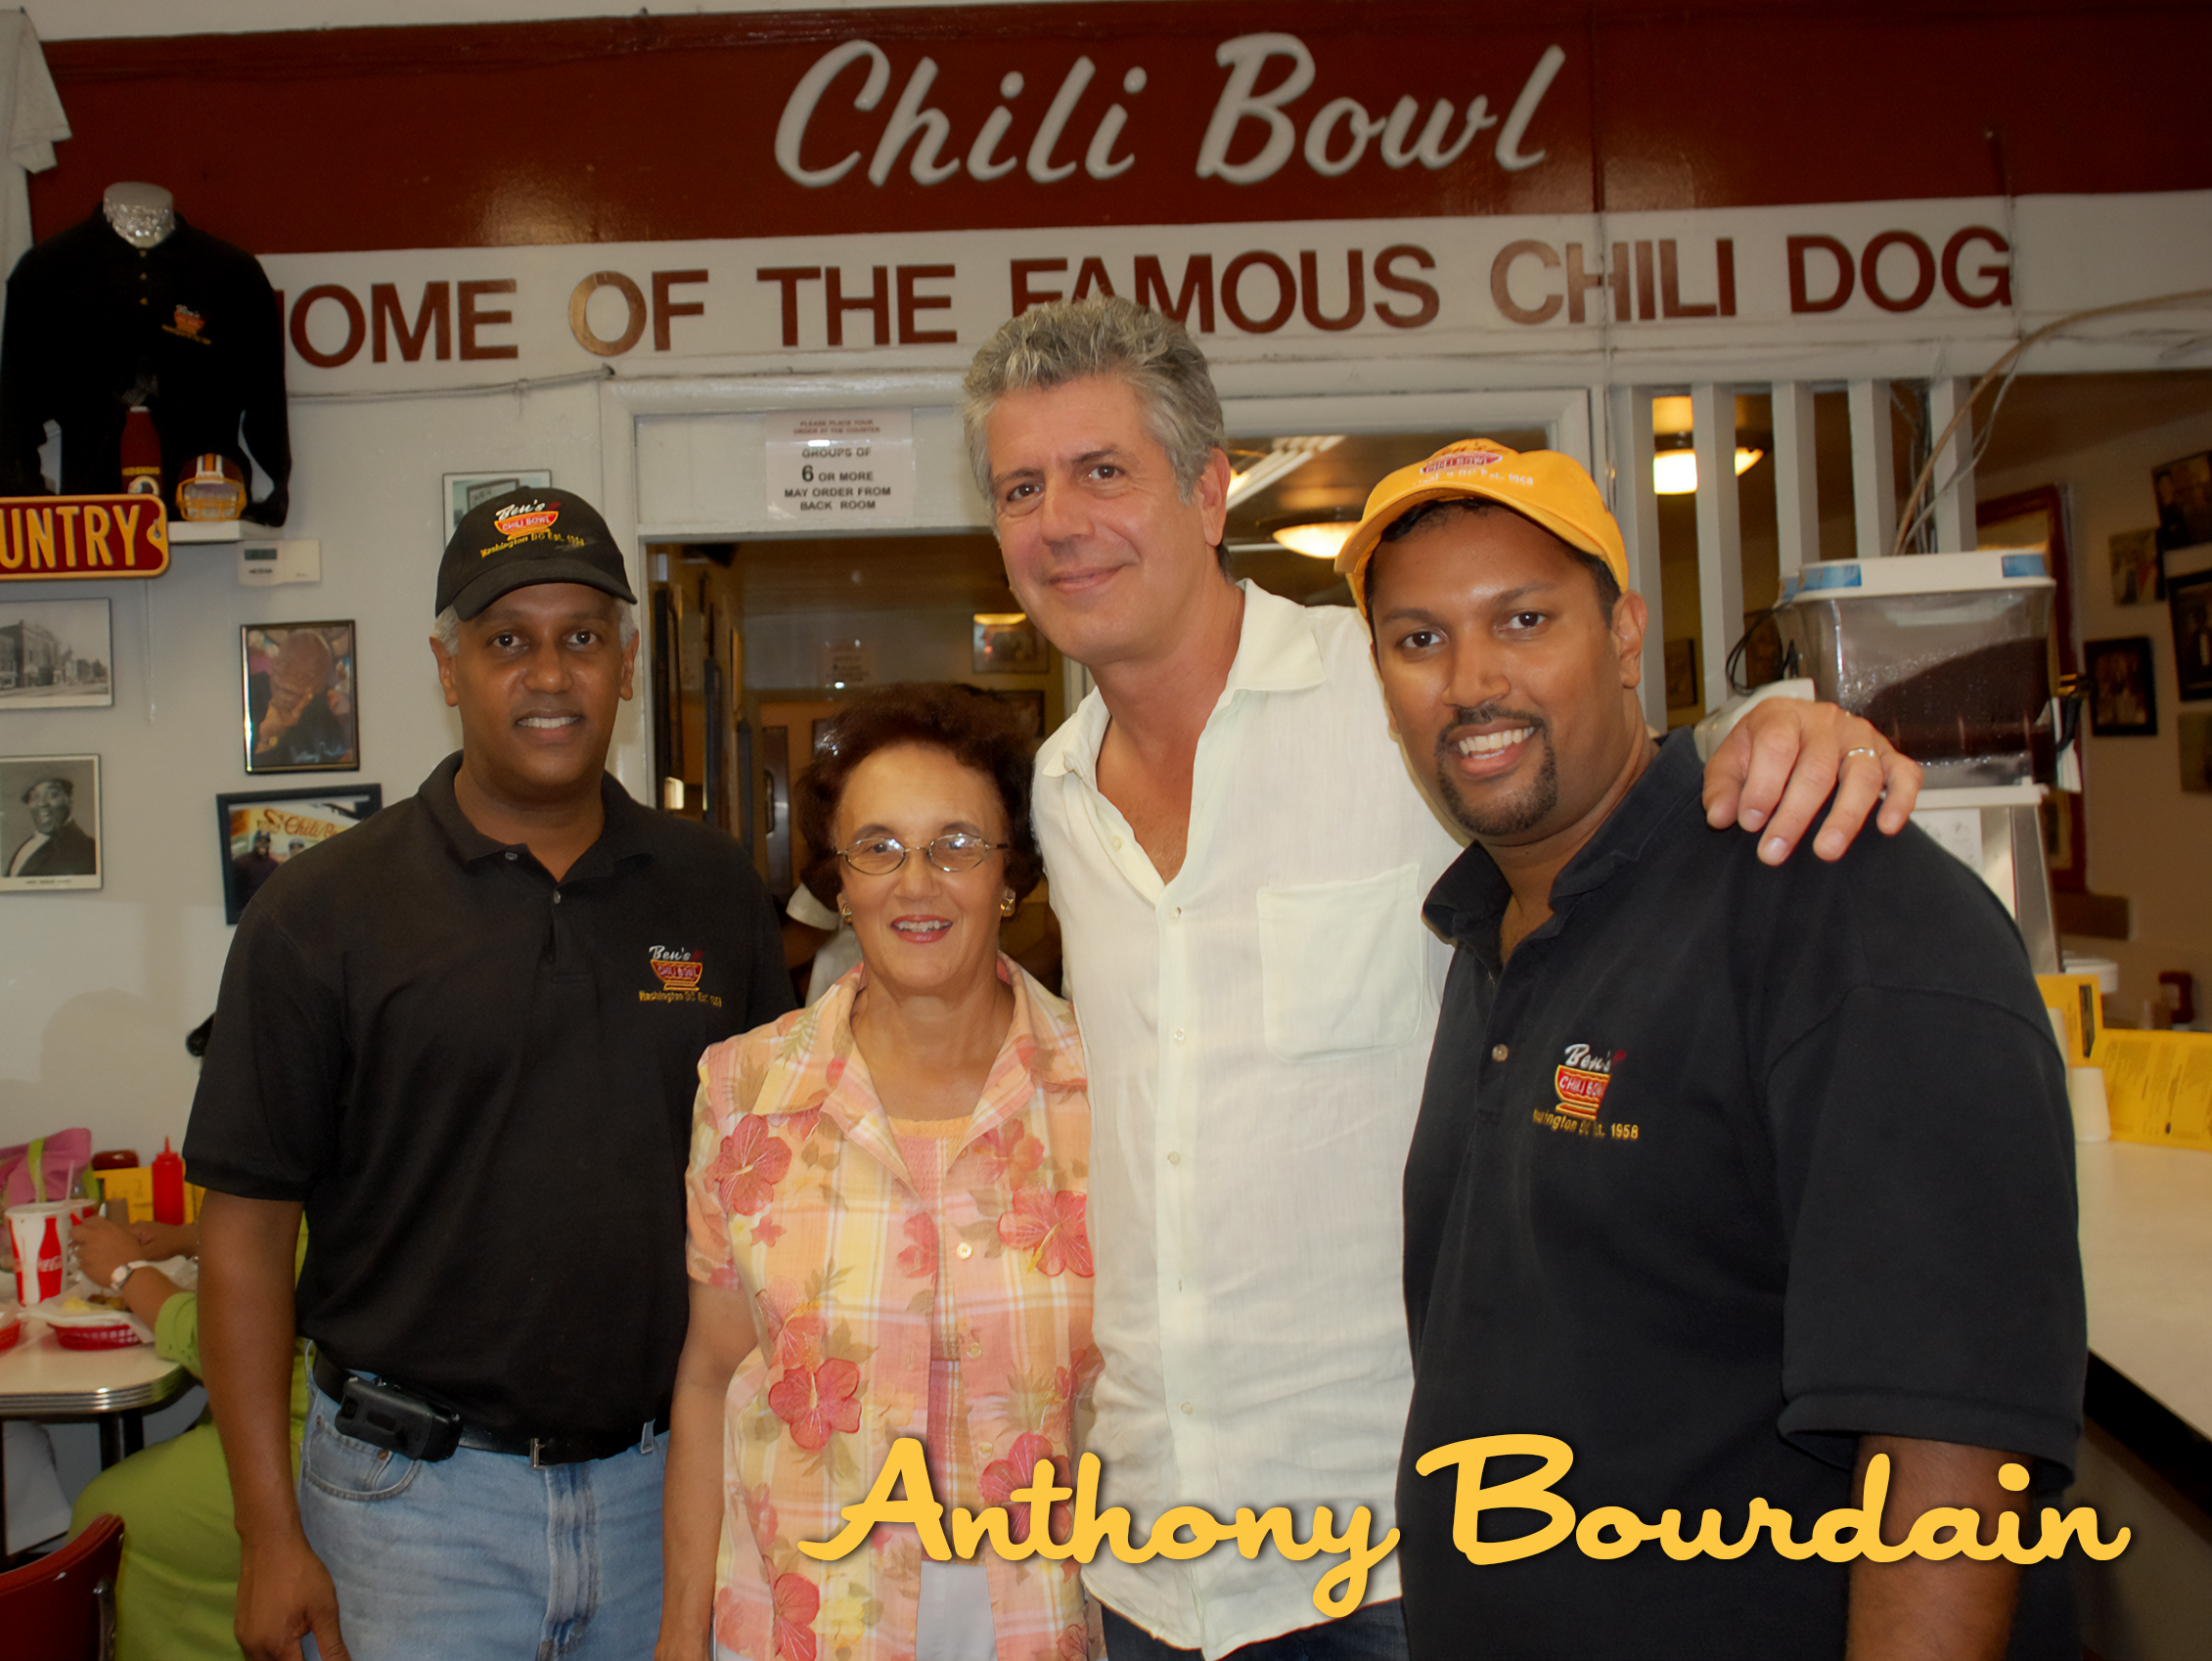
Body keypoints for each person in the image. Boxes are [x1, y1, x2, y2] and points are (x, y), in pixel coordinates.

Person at [959, 297, 1923, 1660]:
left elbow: (1617, 788)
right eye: (1020, 486)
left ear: (1208, 486)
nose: (1060, 519)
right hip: (1151, 1557)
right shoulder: (1058, 793)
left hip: (1402, 1555)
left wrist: (1785, 731)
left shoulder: (1399, 699)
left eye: (1102, 470)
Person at [1340, 440, 2084, 1659]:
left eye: (1522, 619)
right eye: (1417, 640)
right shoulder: (1491, 932)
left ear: (1625, 634)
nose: (1471, 680)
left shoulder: (1833, 904)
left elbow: (1951, 1438)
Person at [185, 487, 792, 1661]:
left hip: (663, 1492)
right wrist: (270, 1535)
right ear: (447, 666)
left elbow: (773, 1195)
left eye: (579, 639)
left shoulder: (713, 892)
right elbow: (245, 1234)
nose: (548, 675)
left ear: (623, 662)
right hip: (410, 1515)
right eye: (506, 640)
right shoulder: (318, 914)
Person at [660, 682, 1093, 1661]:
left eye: (954, 846)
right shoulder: (745, 1092)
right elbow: (709, 1376)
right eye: (879, 849)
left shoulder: (1107, 1091)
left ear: (1008, 874)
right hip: (801, 1623)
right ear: (840, 882)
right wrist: (679, 1633)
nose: (916, 882)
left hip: (1042, 1622)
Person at [68, 1199, 310, 1661]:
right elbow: (280, 1231)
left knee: (107, 1518)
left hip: (310, 1440)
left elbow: (232, 1350)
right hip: (302, 1417)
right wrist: (187, 1237)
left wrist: (128, 1274)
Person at [247, 628, 349, 770]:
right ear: (275, 663)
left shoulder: (324, 727)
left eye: (305, 675)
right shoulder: (248, 695)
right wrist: (266, 738)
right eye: (285, 665)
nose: (289, 679)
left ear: (319, 686)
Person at [7, 774, 97, 875]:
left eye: (52, 795)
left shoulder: (87, 850)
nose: (42, 803)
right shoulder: (27, 846)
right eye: (34, 796)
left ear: (69, 800)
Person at [230, 830, 280, 907]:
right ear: (255, 842)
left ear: (269, 844)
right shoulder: (242, 862)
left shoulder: (273, 865)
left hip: (265, 909)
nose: (262, 844)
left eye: (265, 842)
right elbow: (233, 890)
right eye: (260, 841)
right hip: (245, 909)